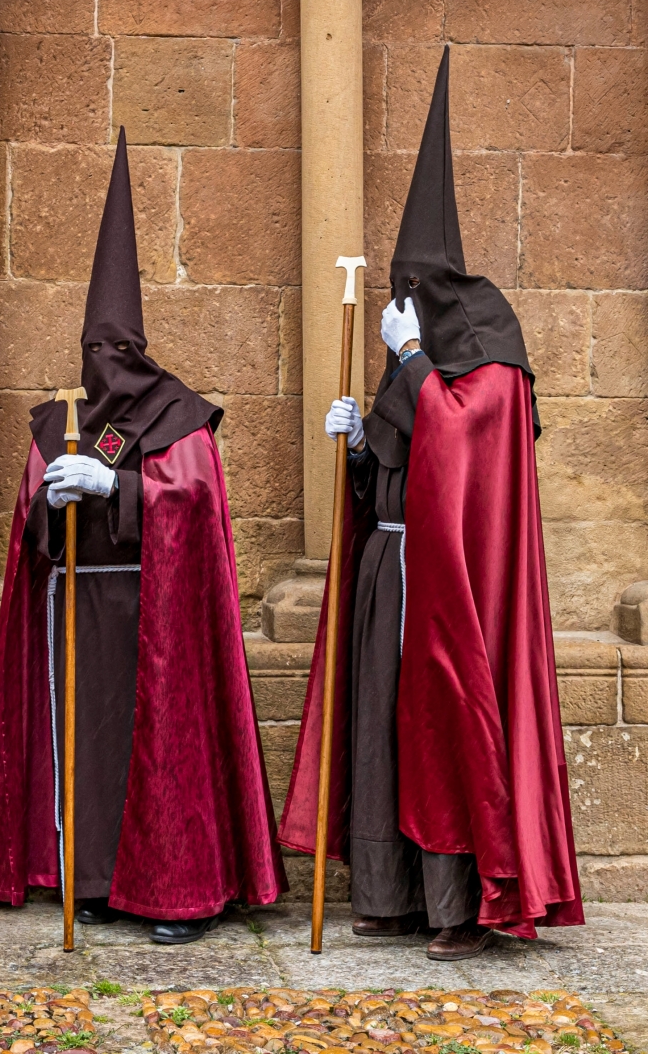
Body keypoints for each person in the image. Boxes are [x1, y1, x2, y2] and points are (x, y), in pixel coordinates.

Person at [278, 47, 583, 960]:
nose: (405, 298)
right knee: (380, 725)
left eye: (420, 281)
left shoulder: (493, 354)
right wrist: (363, 439)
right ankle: (392, 893)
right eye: (398, 283)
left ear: (446, 282)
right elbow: (399, 466)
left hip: (457, 596)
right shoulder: (411, 353)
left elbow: (460, 445)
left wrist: (412, 365)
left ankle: (460, 905)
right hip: (392, 566)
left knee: (445, 730)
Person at [0, 129, 287, 943]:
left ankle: (182, 893)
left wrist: (122, 484)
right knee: (94, 758)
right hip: (81, 615)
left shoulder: (177, 413)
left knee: (163, 751)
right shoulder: (60, 418)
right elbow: (29, 530)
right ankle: (98, 877)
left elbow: (199, 503)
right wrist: (49, 496)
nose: (104, 361)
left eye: (117, 349)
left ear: (138, 349)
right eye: (93, 349)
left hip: (157, 614)